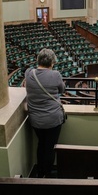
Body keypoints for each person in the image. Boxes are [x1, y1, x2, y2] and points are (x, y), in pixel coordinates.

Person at [24, 48, 66, 178]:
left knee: (41, 144)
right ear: (52, 62)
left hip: (35, 120)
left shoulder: (29, 73)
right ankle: (47, 175)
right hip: (53, 119)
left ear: (38, 60)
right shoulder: (56, 75)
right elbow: (62, 90)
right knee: (50, 147)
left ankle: (40, 172)